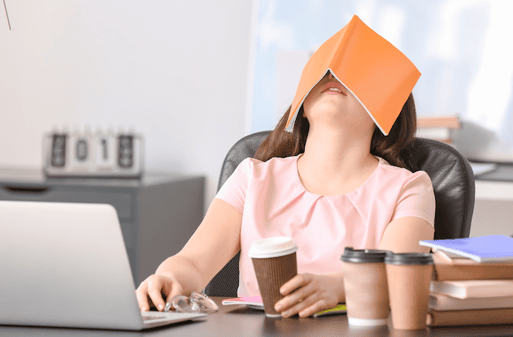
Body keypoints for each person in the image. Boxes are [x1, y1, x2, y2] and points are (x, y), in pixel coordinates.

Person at [136, 70, 435, 318]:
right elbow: (193, 262)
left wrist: (338, 286)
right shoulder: (253, 177)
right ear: (303, 103)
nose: (336, 76)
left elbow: (398, 273)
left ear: (387, 107)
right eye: (326, 70)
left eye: (355, 71)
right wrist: (169, 278)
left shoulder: (408, 188)